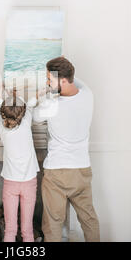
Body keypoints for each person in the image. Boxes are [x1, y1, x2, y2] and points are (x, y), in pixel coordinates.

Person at [33, 56, 100, 242]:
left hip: (57, 173)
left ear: (62, 80)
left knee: (53, 225)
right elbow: (77, 81)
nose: (47, 82)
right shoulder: (88, 95)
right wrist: (62, 76)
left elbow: (34, 117)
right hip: (82, 171)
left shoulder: (51, 105)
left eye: (49, 79)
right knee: (89, 220)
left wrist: (42, 96)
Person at [0, 93, 40, 242]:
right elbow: (31, 104)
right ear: (22, 113)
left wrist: (2, 93)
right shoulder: (27, 123)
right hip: (29, 183)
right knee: (27, 231)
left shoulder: (2, 129)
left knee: (10, 230)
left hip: (10, 184)